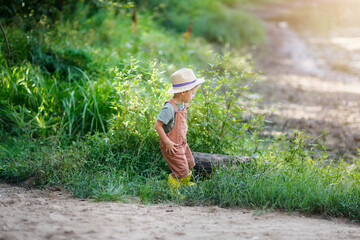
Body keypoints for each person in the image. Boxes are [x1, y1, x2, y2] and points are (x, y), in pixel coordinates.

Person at [154, 68, 205, 188]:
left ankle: (184, 184)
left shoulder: (183, 104)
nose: (193, 96)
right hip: (172, 144)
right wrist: (167, 142)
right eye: (192, 93)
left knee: (188, 162)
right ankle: (173, 188)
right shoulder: (169, 108)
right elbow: (157, 125)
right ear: (183, 92)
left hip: (182, 142)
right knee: (181, 168)